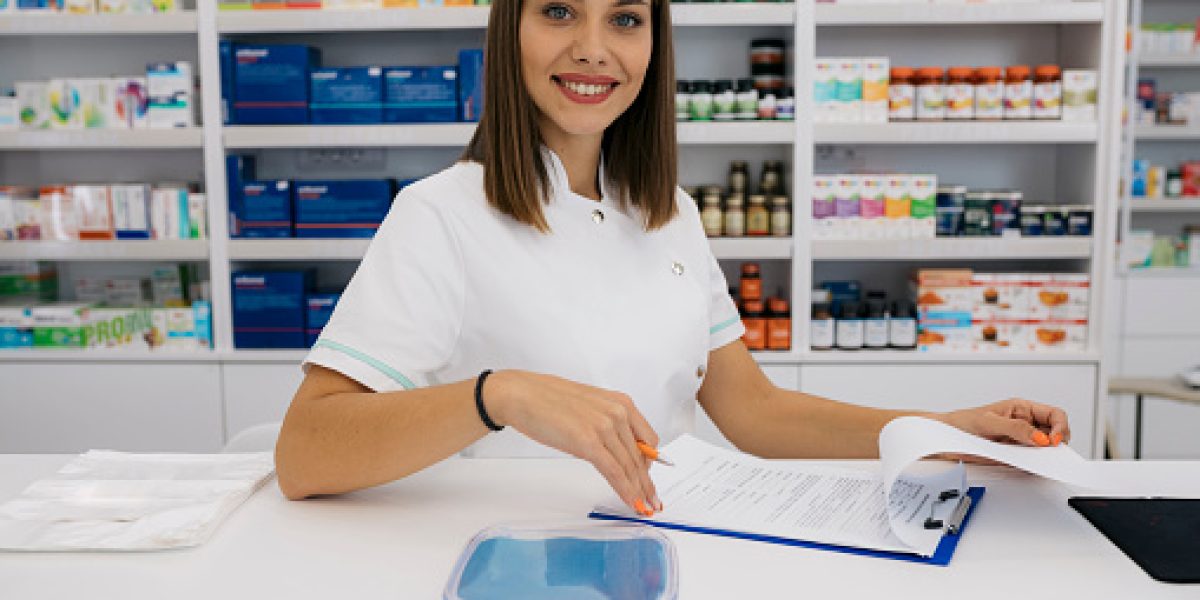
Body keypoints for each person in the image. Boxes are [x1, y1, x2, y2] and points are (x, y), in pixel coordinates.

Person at [275, 0, 1071, 516]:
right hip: (513, 558)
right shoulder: (441, 215)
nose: (594, 49)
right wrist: (500, 395)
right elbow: (303, 454)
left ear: (654, 44)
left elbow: (754, 411)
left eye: (625, 18)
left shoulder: (669, 213)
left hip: (670, 537)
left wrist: (943, 431)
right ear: (508, 27)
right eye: (558, 11)